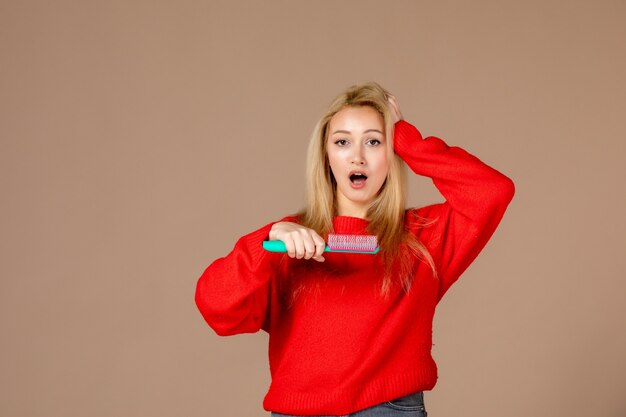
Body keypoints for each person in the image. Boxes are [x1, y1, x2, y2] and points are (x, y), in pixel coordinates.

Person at [195, 82, 515, 416]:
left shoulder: (424, 238)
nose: (358, 156)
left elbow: (492, 191)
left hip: (389, 409)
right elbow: (216, 309)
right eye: (343, 142)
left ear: (391, 153)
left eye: (374, 141)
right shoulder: (288, 241)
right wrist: (266, 243)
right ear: (326, 155)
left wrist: (406, 137)